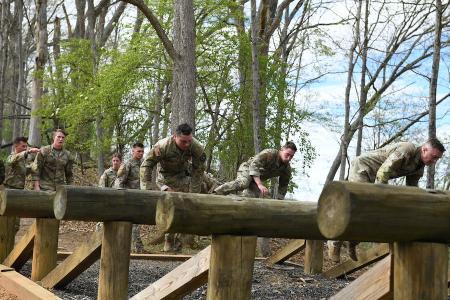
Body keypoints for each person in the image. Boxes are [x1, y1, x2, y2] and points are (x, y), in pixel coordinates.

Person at [328, 138, 446, 263]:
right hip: (363, 169)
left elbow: (412, 189)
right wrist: (381, 198)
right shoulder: (407, 149)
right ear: (424, 149)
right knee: (360, 208)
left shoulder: (419, 167)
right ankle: (335, 241)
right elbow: (383, 172)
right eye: (433, 157)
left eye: (437, 159)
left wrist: (416, 206)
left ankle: (352, 241)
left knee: (369, 215)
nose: (434, 162)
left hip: (375, 175)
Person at [140, 123, 206, 252]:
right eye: (183, 141)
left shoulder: (196, 146)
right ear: (175, 136)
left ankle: (181, 240)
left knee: (187, 204)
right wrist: (146, 190)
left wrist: (194, 194)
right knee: (171, 204)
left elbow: (198, 171)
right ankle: (169, 239)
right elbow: (146, 165)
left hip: (183, 176)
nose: (187, 144)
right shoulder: (163, 145)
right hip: (165, 178)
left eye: (189, 141)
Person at [213, 141, 297, 199]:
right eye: (287, 154)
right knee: (243, 183)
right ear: (282, 150)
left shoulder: (286, 169)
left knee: (258, 196)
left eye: (291, 156)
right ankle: (215, 193)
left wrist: (280, 201)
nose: (289, 158)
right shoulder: (269, 153)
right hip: (248, 169)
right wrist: (260, 184)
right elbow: (254, 165)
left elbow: (283, 186)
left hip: (257, 179)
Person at [113, 143, 145, 252]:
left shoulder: (144, 164)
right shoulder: (128, 164)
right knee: (131, 223)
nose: (140, 153)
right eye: (138, 151)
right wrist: (121, 199)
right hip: (129, 198)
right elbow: (120, 182)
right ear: (133, 151)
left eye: (142, 151)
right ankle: (137, 248)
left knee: (136, 223)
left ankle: (136, 247)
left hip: (140, 198)